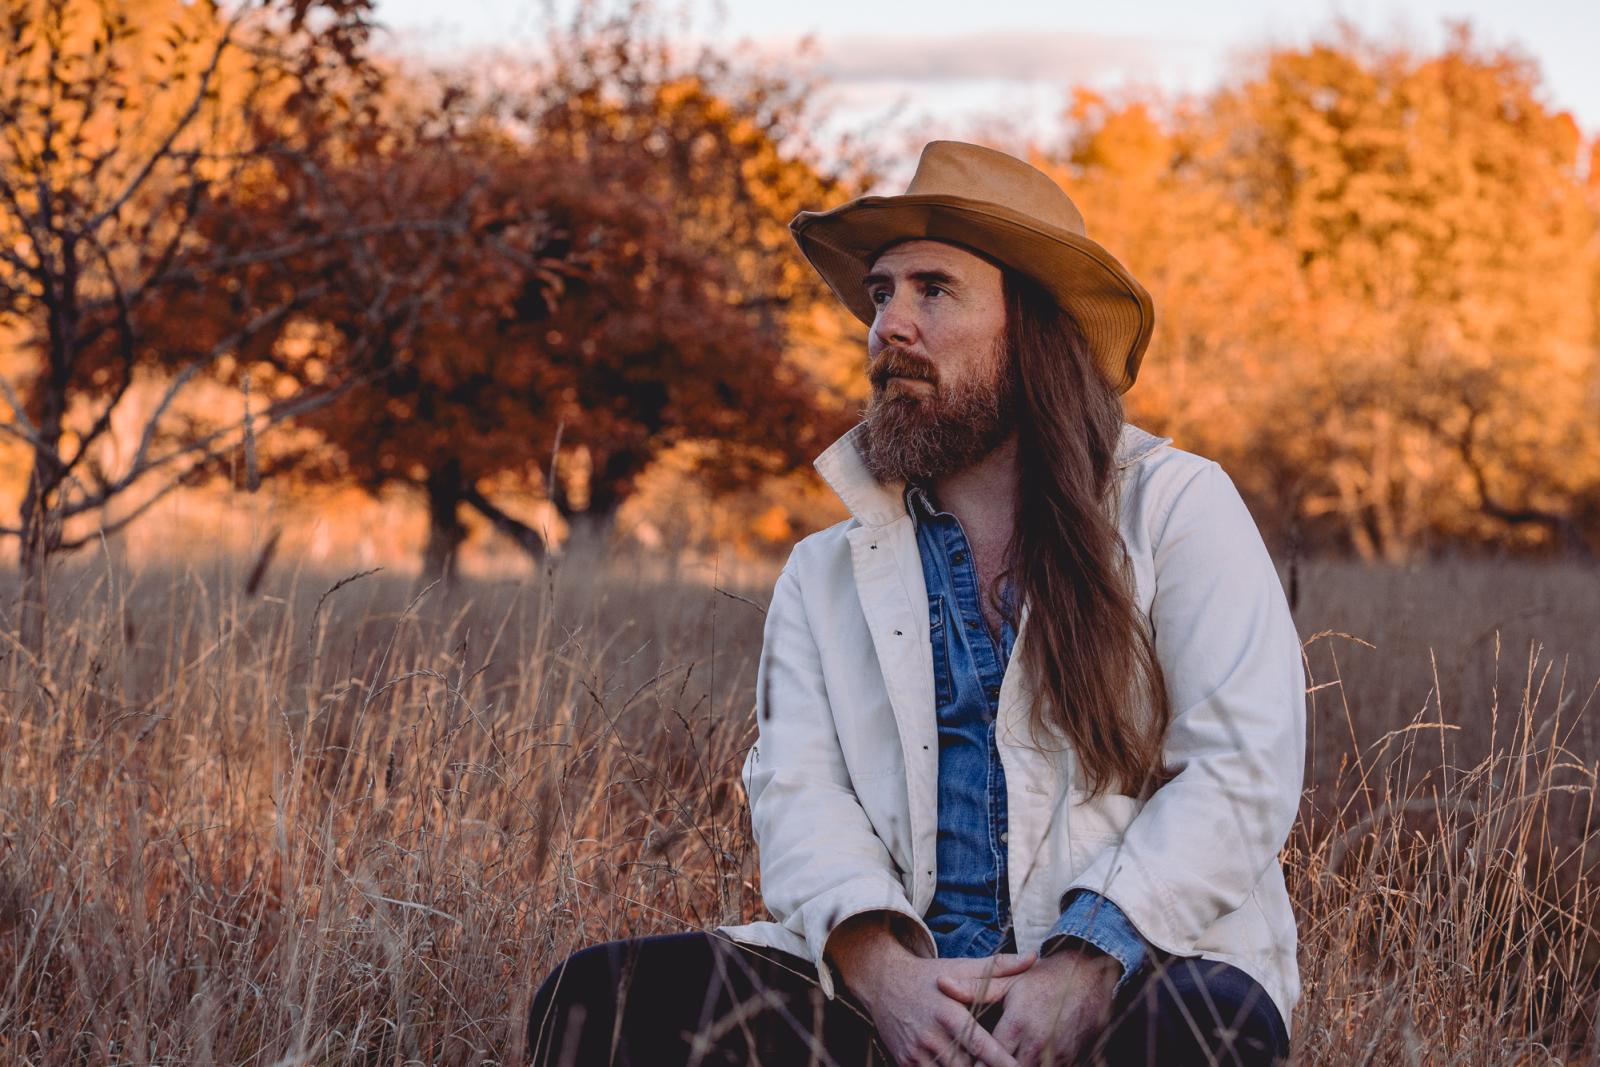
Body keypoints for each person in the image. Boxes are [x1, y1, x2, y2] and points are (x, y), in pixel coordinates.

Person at [527, 140, 1306, 1066]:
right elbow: (796, 793)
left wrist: (1084, 963)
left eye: (933, 290)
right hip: (898, 1005)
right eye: (882, 294)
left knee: (1211, 1029)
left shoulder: (1175, 505)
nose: (889, 324)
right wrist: (882, 975)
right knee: (593, 1004)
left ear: (1033, 327)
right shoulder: (824, 572)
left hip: (1128, 978)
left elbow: (1243, 767)